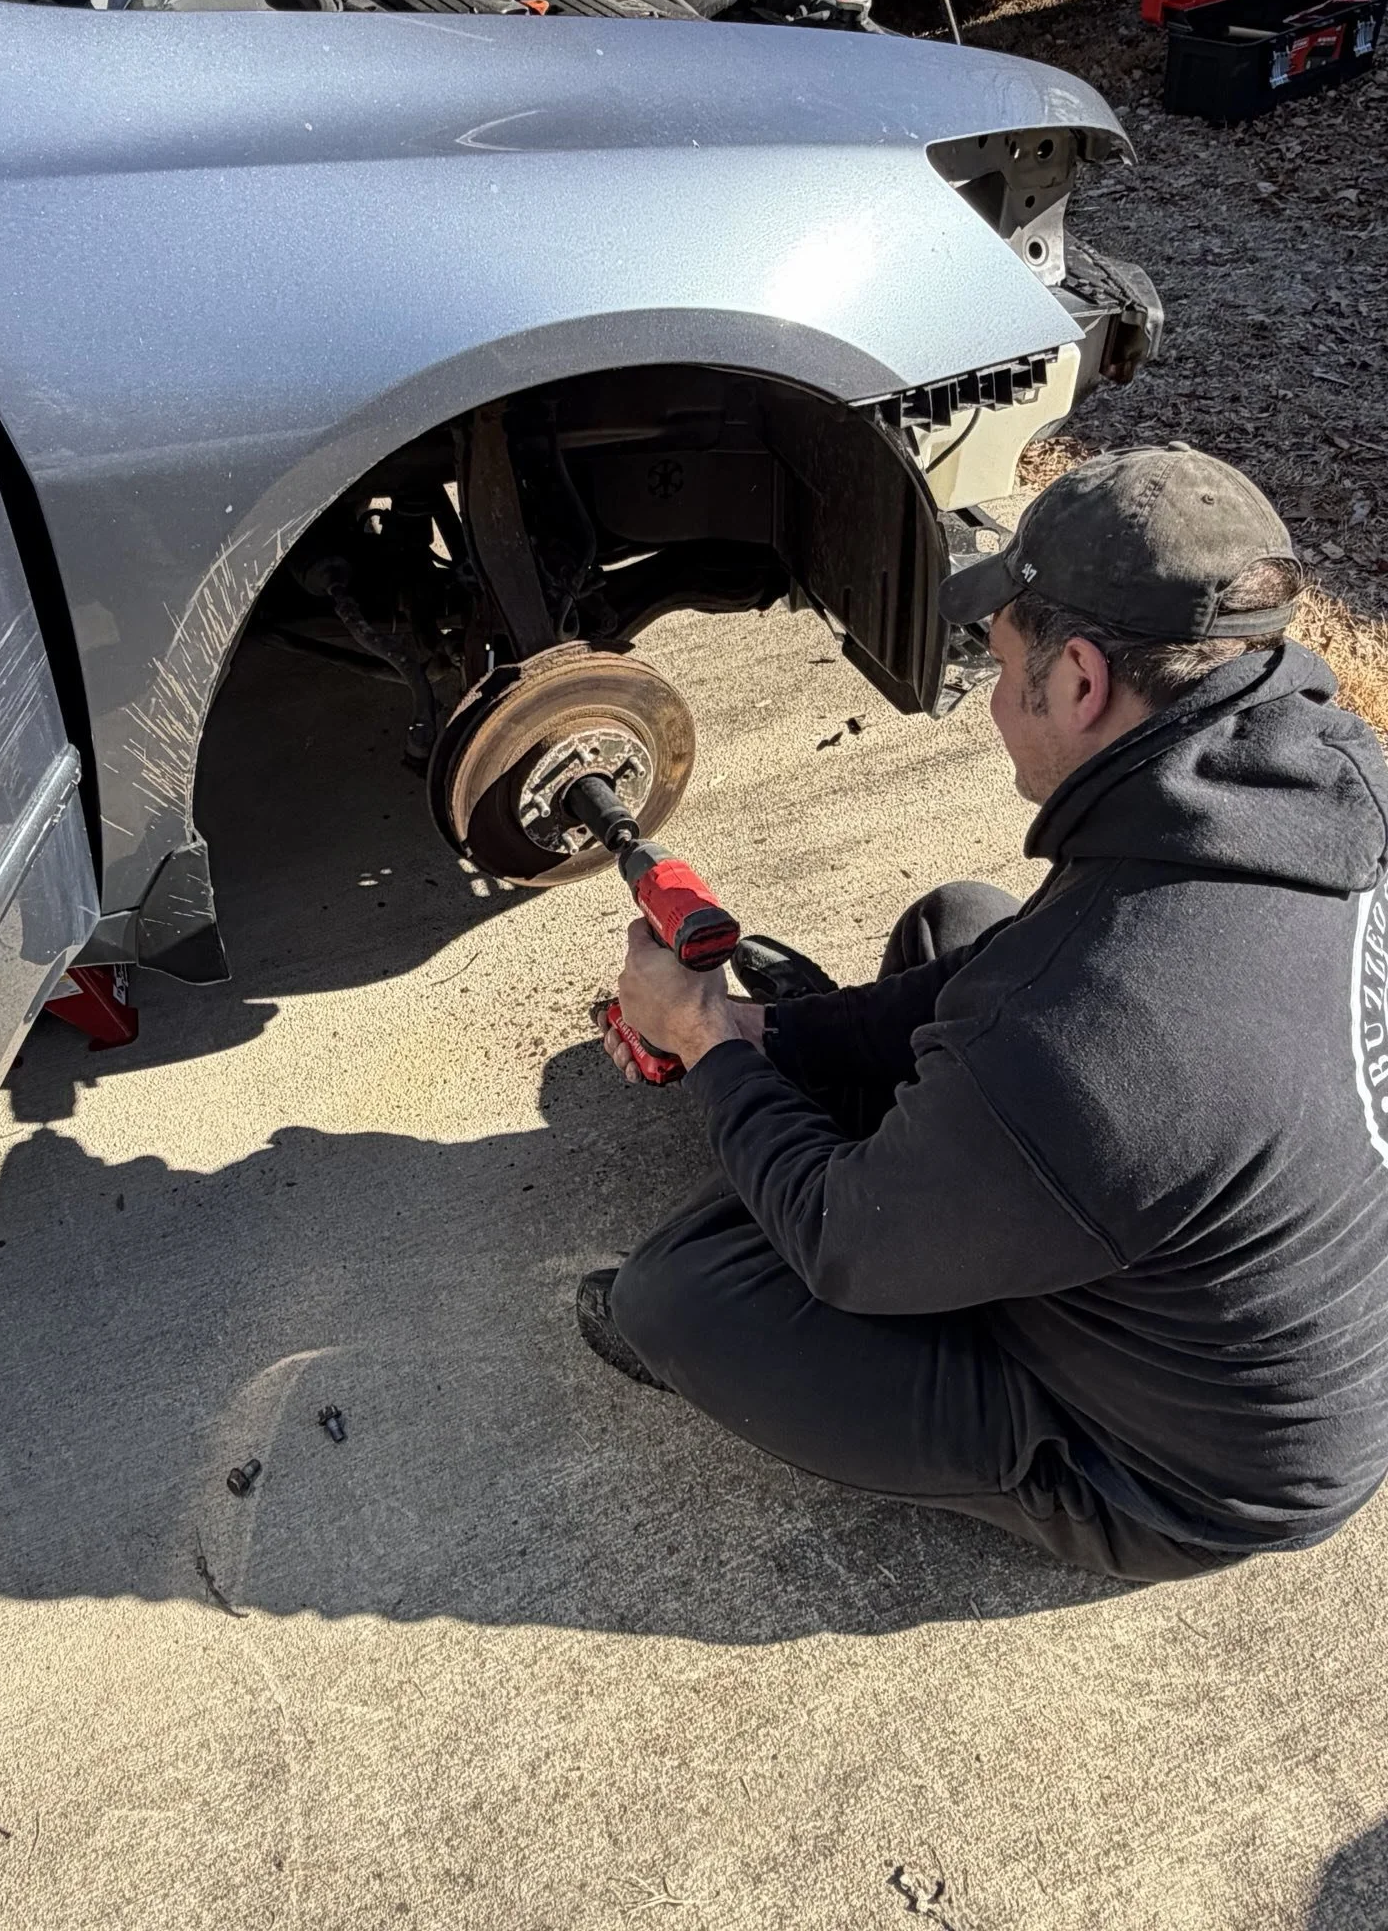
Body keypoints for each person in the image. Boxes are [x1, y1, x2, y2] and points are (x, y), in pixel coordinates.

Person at [576, 443, 1388, 1583]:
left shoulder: (1096, 1033)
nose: (994, 701)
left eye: (1006, 669)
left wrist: (710, 1047)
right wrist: (777, 1039)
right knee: (959, 923)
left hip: (1188, 1471)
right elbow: (1018, 969)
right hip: (1238, 1284)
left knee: (687, 1294)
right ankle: (909, 1157)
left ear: (1086, 681)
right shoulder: (1295, 787)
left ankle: (878, 1210)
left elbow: (844, 1244)